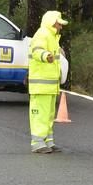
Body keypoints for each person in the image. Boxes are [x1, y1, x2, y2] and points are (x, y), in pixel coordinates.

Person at [28, 10, 68, 154]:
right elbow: (37, 51)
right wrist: (46, 56)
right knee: (39, 114)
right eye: (59, 24)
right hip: (41, 85)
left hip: (49, 85)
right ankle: (37, 143)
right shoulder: (42, 34)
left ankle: (48, 141)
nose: (60, 27)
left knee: (49, 115)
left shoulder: (52, 37)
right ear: (52, 23)